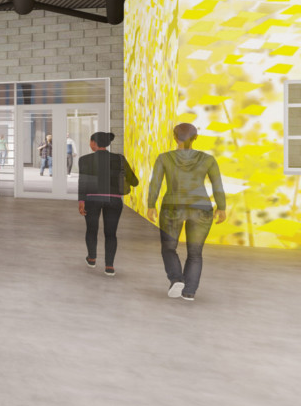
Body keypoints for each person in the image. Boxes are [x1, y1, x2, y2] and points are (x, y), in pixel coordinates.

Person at [147, 123, 226, 302]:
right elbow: (217, 185)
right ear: (195, 138)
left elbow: (155, 184)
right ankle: (189, 291)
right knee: (195, 252)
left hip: (172, 207)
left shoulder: (164, 158)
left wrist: (151, 205)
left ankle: (176, 279)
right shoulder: (208, 159)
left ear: (175, 137)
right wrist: (221, 207)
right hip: (202, 209)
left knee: (168, 248)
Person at [76, 132, 138, 276]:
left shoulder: (85, 159)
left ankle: (92, 258)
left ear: (93, 143)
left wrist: (81, 201)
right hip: (114, 200)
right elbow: (134, 181)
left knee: (91, 229)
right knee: (111, 234)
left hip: (92, 200)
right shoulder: (119, 159)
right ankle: (109, 266)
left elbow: (83, 182)